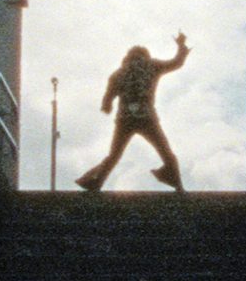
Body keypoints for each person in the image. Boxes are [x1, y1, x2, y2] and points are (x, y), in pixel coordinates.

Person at [76, 32, 190, 192]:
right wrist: (181, 47)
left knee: (114, 155)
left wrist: (107, 106)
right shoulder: (152, 65)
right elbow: (176, 63)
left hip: (124, 119)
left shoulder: (118, 73)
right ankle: (177, 184)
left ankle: (95, 181)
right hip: (147, 117)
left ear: (128, 56)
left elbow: (107, 100)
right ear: (145, 54)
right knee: (165, 151)